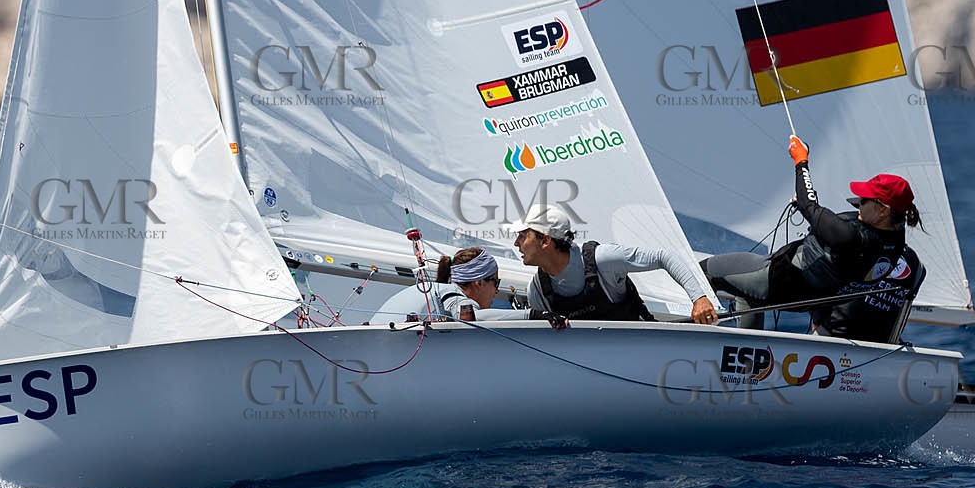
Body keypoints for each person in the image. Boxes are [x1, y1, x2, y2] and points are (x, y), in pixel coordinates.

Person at [702, 135, 922, 329]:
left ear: (884, 211)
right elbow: (824, 220)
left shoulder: (850, 238)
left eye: (864, 200)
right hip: (807, 299)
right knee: (748, 299)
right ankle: (746, 367)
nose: (858, 204)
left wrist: (801, 160)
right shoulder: (895, 239)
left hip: (775, 283)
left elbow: (810, 205)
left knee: (702, 272)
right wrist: (808, 208)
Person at [509, 205, 718, 325]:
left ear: (545, 241)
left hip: (641, 349)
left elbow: (665, 256)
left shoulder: (603, 259)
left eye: (522, 236)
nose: (516, 243)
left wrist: (699, 298)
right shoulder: (537, 291)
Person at [369, 248, 505, 325]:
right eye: (496, 283)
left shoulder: (425, 289)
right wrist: (526, 315)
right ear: (479, 282)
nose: (497, 291)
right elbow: (474, 316)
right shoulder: (455, 297)